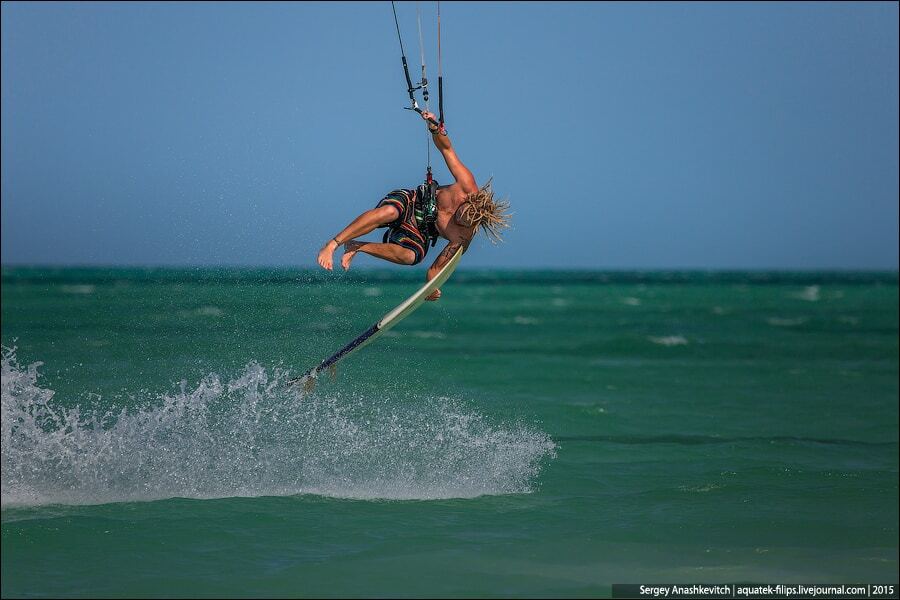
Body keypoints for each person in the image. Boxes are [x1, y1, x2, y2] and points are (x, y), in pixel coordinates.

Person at [316, 111, 510, 301]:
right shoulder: (466, 184)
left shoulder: (461, 237)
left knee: (411, 257)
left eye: (465, 222)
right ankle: (333, 243)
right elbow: (447, 149)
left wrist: (432, 288)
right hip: (411, 201)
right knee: (390, 211)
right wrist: (435, 130)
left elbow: (435, 270)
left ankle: (358, 246)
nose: (459, 219)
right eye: (462, 213)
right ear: (468, 200)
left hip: (420, 230)